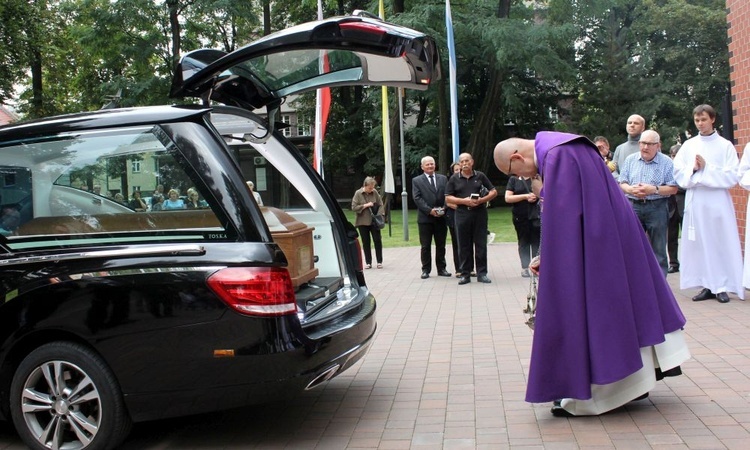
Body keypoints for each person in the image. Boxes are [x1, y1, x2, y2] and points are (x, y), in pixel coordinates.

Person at [493, 132, 690, 417]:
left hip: (596, 246)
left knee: (597, 310)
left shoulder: (556, 156)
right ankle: (638, 379)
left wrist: (551, 260)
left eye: (516, 173)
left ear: (516, 157)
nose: (525, 177)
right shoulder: (563, 148)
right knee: (624, 301)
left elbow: (564, 220)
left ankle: (606, 391)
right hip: (611, 233)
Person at [673, 104, 743, 303]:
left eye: (704, 119)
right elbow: (678, 172)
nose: (700, 124)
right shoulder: (689, 146)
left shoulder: (725, 145)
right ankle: (706, 284)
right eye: (697, 120)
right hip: (697, 200)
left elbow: (732, 176)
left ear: (712, 119)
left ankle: (721, 285)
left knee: (719, 242)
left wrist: (707, 168)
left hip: (718, 201)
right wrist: (693, 169)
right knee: (700, 243)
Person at [618, 129, 678, 276]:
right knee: (631, 245)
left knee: (658, 248)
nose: (645, 147)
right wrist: (630, 190)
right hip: (633, 206)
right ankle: (633, 279)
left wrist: (654, 189)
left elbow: (673, 188)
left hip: (656, 208)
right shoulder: (630, 160)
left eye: (650, 144)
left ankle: (660, 283)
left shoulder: (667, 162)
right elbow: (622, 183)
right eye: (643, 143)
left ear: (658, 145)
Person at [445, 152, 497, 285]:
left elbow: (493, 191)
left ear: (472, 162)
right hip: (462, 214)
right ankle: (465, 274)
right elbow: (448, 197)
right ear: (459, 164)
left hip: (479, 213)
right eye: (462, 162)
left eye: (467, 161)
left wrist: (482, 200)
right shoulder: (454, 179)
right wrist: (463, 201)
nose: (464, 164)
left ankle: (482, 273)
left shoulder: (480, 176)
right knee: (463, 245)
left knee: (480, 244)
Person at [412, 156, 451, 279]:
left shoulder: (443, 179)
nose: (430, 166)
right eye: (427, 164)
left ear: (435, 165)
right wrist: (429, 211)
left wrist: (444, 208)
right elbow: (417, 198)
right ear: (422, 166)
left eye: (432, 164)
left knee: (441, 245)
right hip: (425, 219)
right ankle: (426, 270)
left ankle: (442, 268)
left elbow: (448, 194)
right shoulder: (416, 181)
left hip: (441, 217)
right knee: (425, 246)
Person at [505, 175, 541, 278]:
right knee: (523, 242)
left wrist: (536, 196)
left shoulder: (536, 177)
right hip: (520, 216)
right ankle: (525, 267)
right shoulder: (514, 179)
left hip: (535, 216)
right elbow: (508, 198)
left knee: (536, 242)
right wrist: (525, 196)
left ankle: (536, 266)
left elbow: (545, 192)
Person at [351, 177, 384, 269]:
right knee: (366, 242)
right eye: (370, 188)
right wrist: (365, 205)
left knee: (377, 241)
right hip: (362, 221)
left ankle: (379, 261)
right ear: (365, 186)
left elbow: (381, 204)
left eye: (373, 187)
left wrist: (379, 215)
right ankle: (368, 262)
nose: (371, 189)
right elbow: (354, 207)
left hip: (374, 222)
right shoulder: (358, 193)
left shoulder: (375, 193)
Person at [667, 144, 686, 273]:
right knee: (671, 236)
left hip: (684, 205)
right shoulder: (668, 167)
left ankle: (688, 264)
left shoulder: (686, 167)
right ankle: (674, 263)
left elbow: (688, 185)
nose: (674, 158)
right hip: (670, 206)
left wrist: (673, 189)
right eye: (673, 155)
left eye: (676, 155)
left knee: (687, 237)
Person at [444, 162, 462, 277]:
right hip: (454, 216)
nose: (459, 171)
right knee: (457, 243)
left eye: (460, 169)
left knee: (468, 243)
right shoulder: (450, 182)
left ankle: (470, 268)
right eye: (456, 170)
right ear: (452, 171)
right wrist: (463, 206)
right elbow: (448, 201)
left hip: (468, 216)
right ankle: (459, 269)